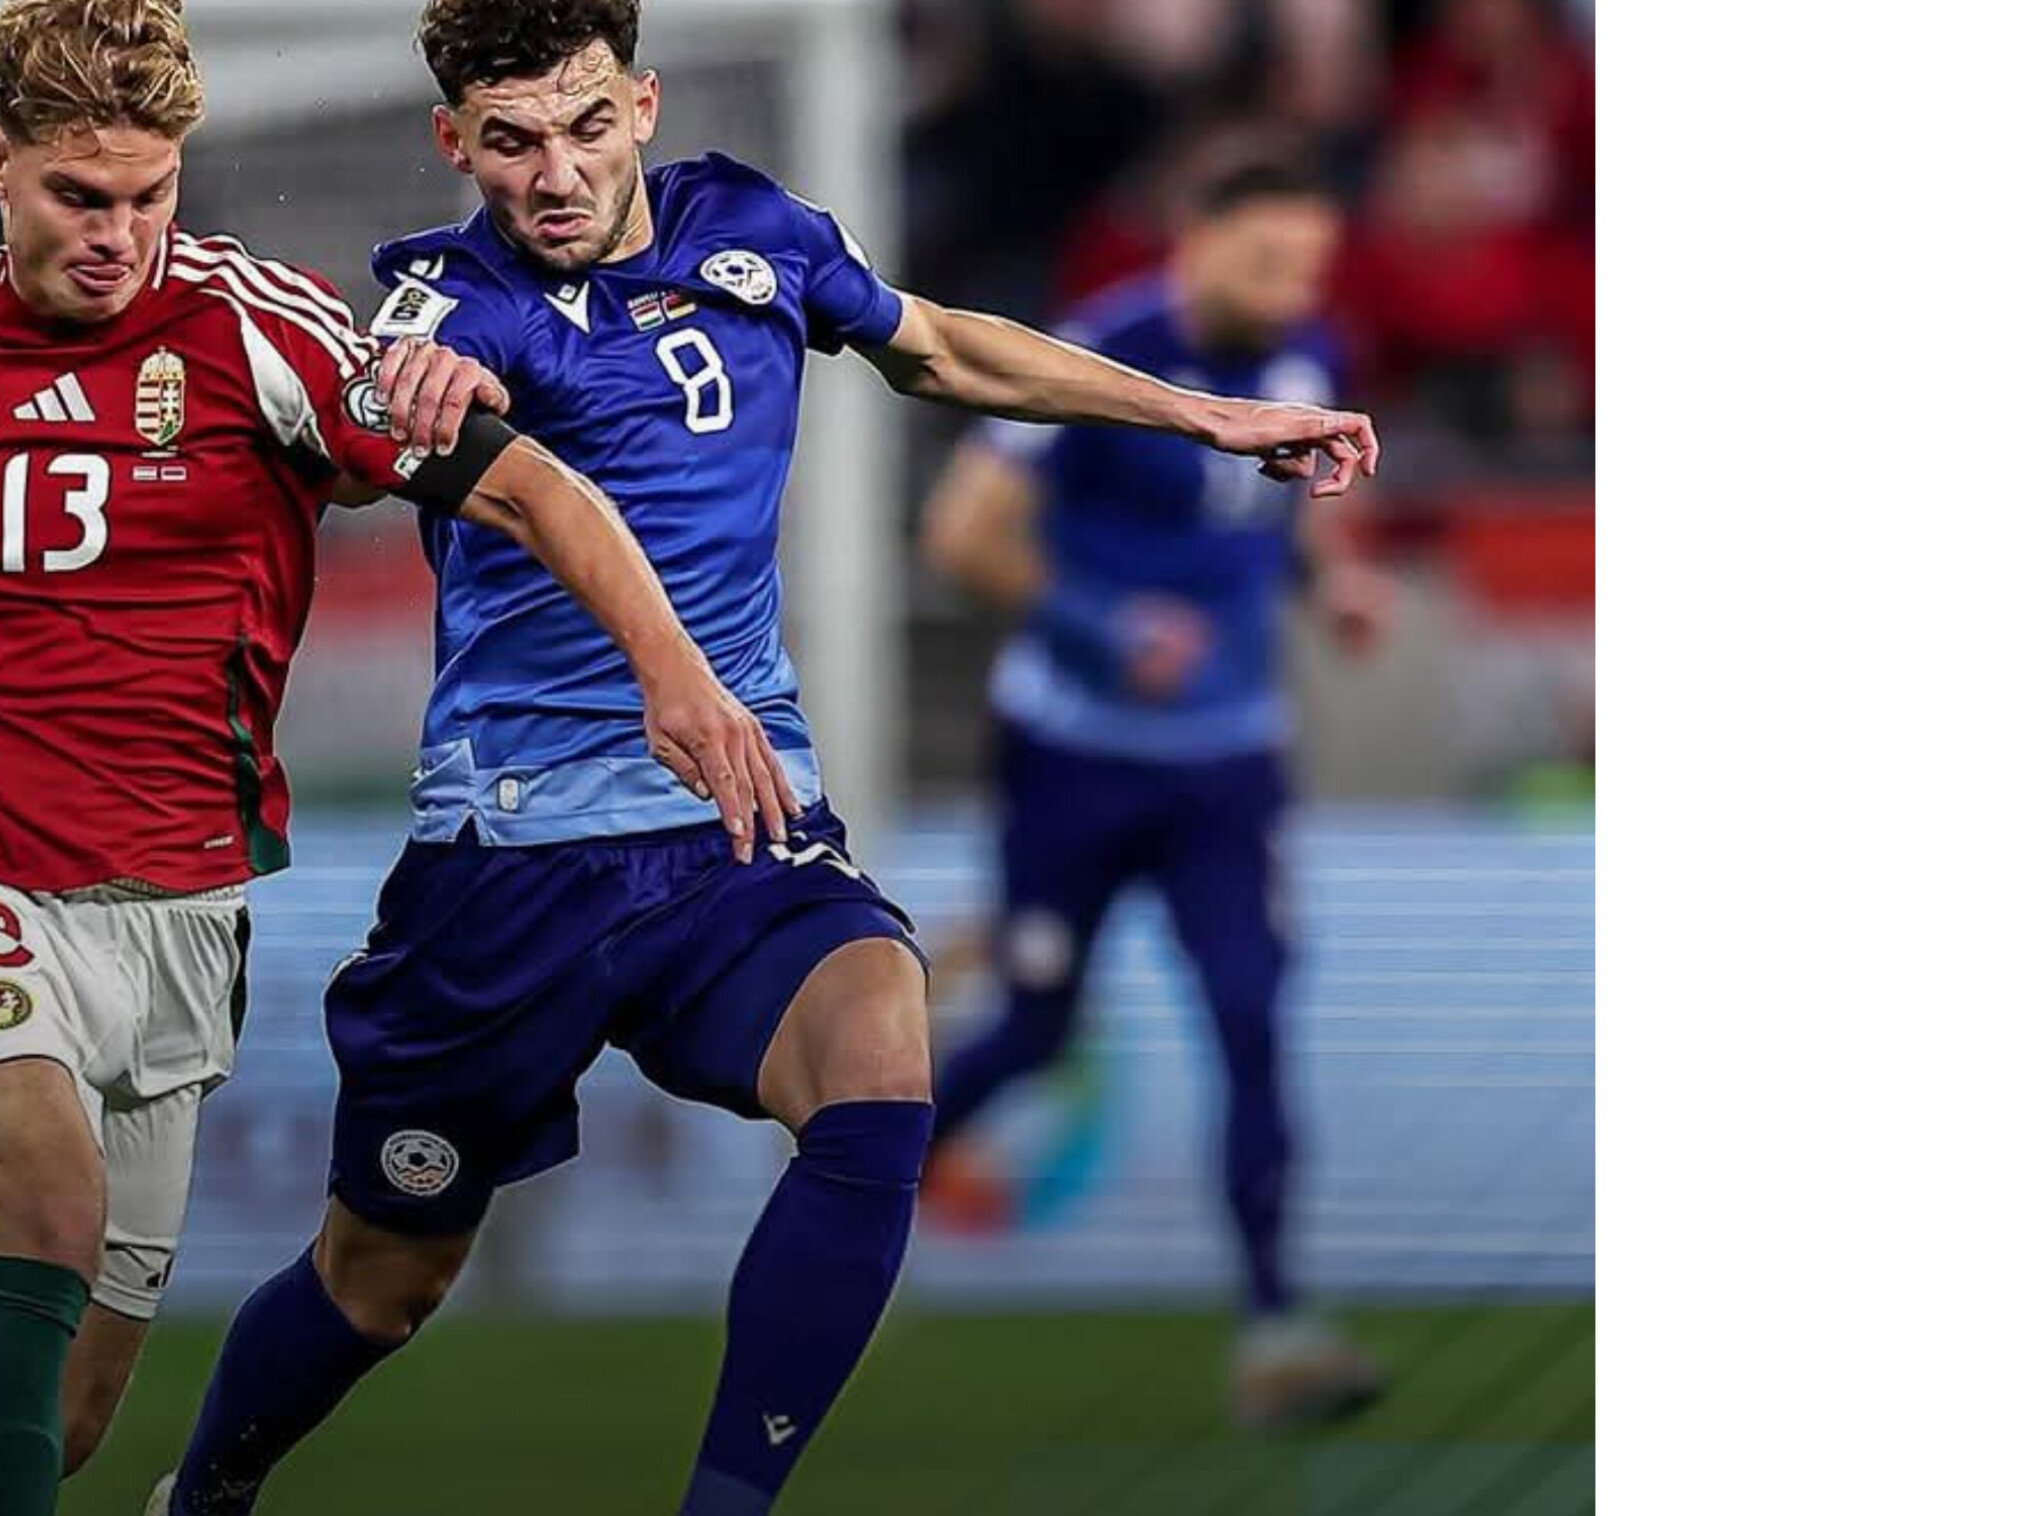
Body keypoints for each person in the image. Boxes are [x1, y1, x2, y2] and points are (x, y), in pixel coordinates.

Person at [147, 3, 1381, 1511]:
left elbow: (937, 346)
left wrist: (1204, 416)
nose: (555, 174)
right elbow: (400, 421)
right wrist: (418, 393)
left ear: (644, 105)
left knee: (880, 1053)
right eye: (513, 141)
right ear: (453, 142)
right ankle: (201, 1496)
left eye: (585, 127)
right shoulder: (449, 304)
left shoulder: (754, 227)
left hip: (736, 822)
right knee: (381, 1282)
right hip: (514, 859)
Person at [0, 4, 776, 1514]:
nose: (119, 236)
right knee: (49, 1223)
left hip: (184, 921)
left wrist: (676, 676)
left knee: (57, 1403)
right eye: (80, 197)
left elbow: (538, 492)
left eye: (150, 196)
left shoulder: (264, 334)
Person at [914, 156, 1393, 1433]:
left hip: (1228, 765)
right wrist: (1100, 626)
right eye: (1268, 259)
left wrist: (1333, 582)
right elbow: (961, 532)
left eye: (1309, 264)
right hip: (1073, 758)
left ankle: (1277, 1330)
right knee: (1034, 1028)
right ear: (1196, 237)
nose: (1292, 287)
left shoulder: (1307, 356)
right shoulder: (1094, 358)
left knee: (1249, 1017)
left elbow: (1293, 508)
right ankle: (854, 1186)